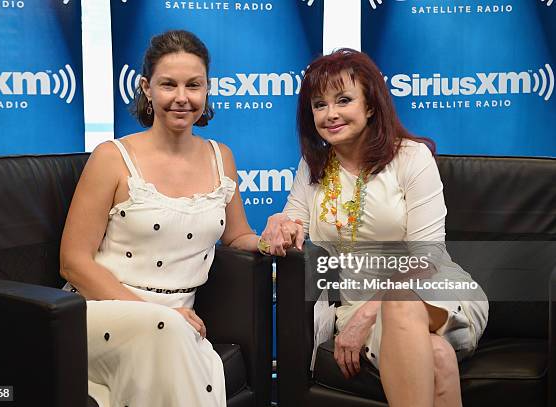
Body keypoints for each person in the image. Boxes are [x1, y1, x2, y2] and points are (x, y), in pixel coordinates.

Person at [261, 49, 489, 407]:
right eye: (319, 105)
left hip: (433, 292)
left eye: (344, 100)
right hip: (355, 306)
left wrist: (371, 312)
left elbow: (429, 256)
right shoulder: (313, 166)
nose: (330, 113)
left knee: (399, 305)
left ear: (370, 106)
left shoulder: (411, 157)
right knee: (438, 357)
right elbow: (293, 228)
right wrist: (277, 225)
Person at [59, 30, 261, 407]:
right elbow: (73, 262)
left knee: (170, 332)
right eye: (168, 84)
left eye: (193, 85)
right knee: (165, 329)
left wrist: (272, 240)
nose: (182, 98)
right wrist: (152, 312)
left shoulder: (222, 157)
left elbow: (238, 237)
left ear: (207, 89)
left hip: (179, 321)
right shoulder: (111, 157)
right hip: (105, 310)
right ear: (146, 89)